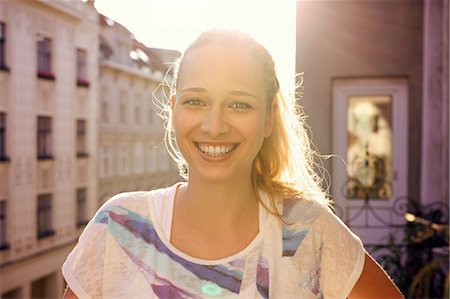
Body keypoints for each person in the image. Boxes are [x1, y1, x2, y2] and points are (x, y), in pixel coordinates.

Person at [62, 30, 404, 298]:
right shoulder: (120, 226)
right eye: (196, 101)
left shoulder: (307, 233)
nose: (214, 125)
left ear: (269, 119)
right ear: (172, 111)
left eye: (239, 105)